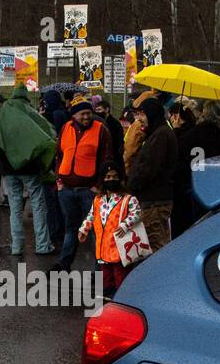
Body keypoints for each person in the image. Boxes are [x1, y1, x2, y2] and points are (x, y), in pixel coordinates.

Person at [0, 83, 57, 256]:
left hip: (9, 172)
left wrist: (3, 167)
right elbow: (47, 136)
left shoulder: (2, 117)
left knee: (15, 208)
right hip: (30, 170)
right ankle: (42, 245)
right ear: (25, 97)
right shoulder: (30, 114)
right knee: (38, 206)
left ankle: (17, 246)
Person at [52, 94, 113, 271]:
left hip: (89, 191)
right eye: (82, 114)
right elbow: (59, 155)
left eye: (88, 113)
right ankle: (64, 264)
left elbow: (107, 160)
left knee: (95, 229)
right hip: (67, 189)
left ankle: (99, 269)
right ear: (73, 115)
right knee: (71, 228)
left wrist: (99, 186)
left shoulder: (101, 130)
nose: (86, 117)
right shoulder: (66, 128)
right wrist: (59, 179)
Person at [173, 99, 220, 238]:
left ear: (205, 114)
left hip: (195, 186)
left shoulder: (194, 134)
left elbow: (181, 155)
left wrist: (177, 130)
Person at [77, 167, 141, 298]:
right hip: (103, 244)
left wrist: (124, 225)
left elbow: (137, 213)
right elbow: (92, 215)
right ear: (102, 180)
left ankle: (122, 296)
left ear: (120, 179)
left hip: (119, 244)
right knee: (105, 271)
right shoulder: (98, 199)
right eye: (108, 177)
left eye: (114, 176)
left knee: (120, 272)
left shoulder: (128, 199)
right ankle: (109, 291)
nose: (111, 180)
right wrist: (84, 228)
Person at [126, 95, 179, 251]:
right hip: (154, 198)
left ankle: (162, 274)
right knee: (157, 241)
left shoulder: (161, 135)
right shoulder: (156, 133)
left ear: (151, 113)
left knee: (155, 244)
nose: (140, 119)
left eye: (142, 114)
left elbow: (149, 167)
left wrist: (133, 184)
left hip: (155, 200)